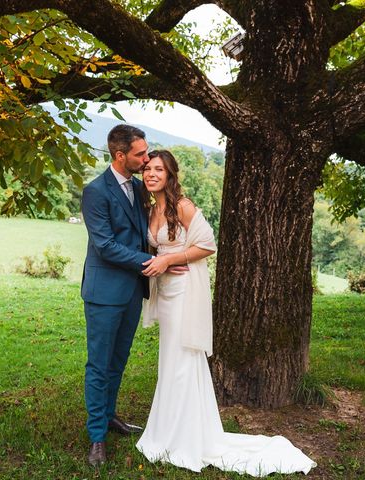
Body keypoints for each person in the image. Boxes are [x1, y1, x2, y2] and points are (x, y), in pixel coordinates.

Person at [136, 150, 317, 477]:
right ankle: (167, 430)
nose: (151, 174)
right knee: (170, 362)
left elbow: (206, 245)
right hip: (165, 292)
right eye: (147, 168)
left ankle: (185, 437)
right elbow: (156, 247)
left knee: (182, 361)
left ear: (170, 174)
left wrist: (169, 261)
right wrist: (157, 262)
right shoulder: (151, 209)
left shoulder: (183, 206)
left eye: (158, 169)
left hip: (183, 292)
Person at [80, 124, 159, 467]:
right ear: (119, 155)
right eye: (141, 154)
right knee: (99, 364)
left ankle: (110, 416)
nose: (146, 158)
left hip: (132, 291)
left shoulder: (140, 189)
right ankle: (97, 437)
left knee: (118, 361)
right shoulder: (95, 191)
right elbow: (106, 246)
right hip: (104, 291)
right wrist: (154, 261)